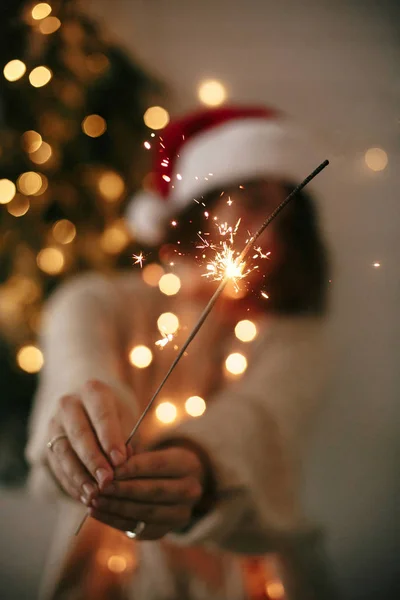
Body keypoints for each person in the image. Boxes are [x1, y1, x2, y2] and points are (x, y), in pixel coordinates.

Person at [25, 106, 336, 599]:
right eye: (251, 202)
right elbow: (77, 365)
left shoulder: (293, 336)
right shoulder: (95, 303)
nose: (272, 237)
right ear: (202, 205)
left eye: (285, 216)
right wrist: (87, 428)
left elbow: (259, 420)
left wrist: (197, 462)